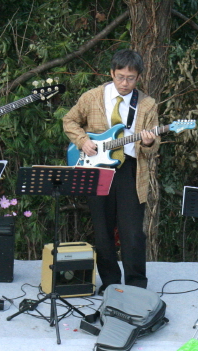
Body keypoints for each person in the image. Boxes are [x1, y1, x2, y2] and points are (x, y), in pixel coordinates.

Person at [62, 49, 159, 293]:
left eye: (131, 78)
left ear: (138, 77)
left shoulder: (147, 105)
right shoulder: (92, 97)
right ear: (111, 73)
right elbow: (69, 121)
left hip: (130, 170)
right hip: (97, 169)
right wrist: (83, 141)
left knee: (132, 232)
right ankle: (110, 282)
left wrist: (149, 142)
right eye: (120, 77)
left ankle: (136, 284)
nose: (125, 83)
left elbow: (152, 147)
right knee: (102, 230)